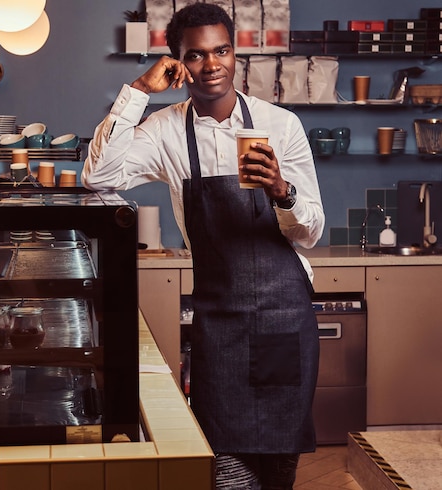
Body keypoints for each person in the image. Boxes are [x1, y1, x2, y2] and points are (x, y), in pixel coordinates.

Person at [82, 3, 324, 489]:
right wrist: (136, 93)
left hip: (283, 319)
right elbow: (98, 177)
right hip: (221, 326)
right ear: (178, 62)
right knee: (225, 467)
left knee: (278, 470)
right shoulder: (167, 130)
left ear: (236, 54)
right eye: (196, 55)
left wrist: (282, 190)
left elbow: (311, 231)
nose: (211, 65)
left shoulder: (282, 125)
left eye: (221, 51)